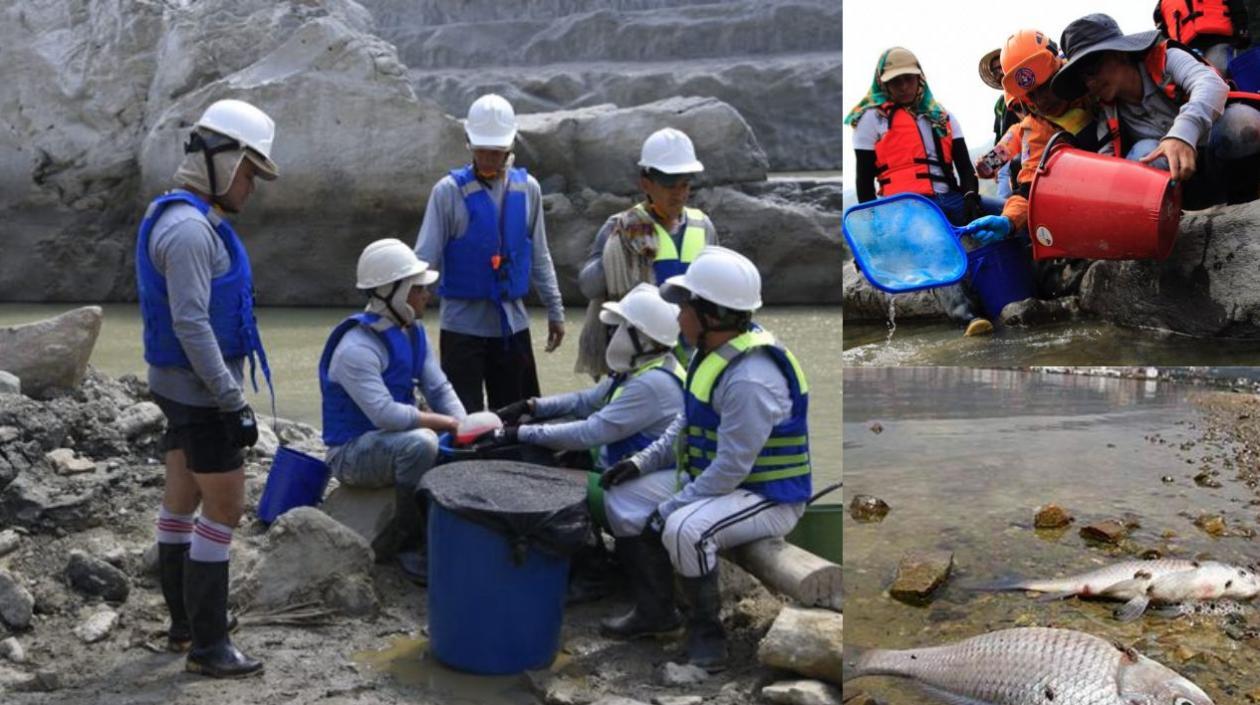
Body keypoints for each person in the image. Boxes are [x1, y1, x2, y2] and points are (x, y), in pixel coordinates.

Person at [595, 246, 811, 672]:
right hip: (722, 483)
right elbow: (685, 424)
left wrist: (671, 506)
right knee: (623, 499)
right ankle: (656, 612)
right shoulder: (711, 354)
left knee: (684, 529)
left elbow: (733, 469)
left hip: (768, 496)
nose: (677, 317)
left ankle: (708, 638)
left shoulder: (750, 378)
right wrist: (640, 464)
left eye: (685, 307)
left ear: (712, 314)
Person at [136, 98, 279, 677]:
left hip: (174, 387)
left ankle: (184, 626)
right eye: (249, 172)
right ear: (221, 160)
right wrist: (233, 399)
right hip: (198, 392)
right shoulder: (192, 231)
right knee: (224, 508)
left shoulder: (173, 215)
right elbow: (192, 325)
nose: (250, 186)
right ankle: (210, 648)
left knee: (180, 498)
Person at [318, 239, 465, 584]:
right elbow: (385, 415)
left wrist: (468, 422)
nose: (426, 295)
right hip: (351, 454)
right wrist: (449, 423)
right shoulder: (356, 347)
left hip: (390, 440)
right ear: (392, 293)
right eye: (418, 289)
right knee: (423, 444)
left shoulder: (413, 333)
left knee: (462, 439)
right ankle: (409, 545)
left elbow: (439, 387)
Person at [415, 93, 566, 412]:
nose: (488, 157)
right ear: (469, 142)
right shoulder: (448, 192)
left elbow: (540, 254)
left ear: (510, 146)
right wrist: (406, 313)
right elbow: (425, 256)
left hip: (513, 325)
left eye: (496, 151)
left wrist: (555, 309)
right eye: (482, 149)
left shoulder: (529, 190)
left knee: (517, 417)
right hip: (461, 327)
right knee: (463, 419)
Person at [845, 46, 1004, 336]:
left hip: (951, 198)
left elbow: (965, 169)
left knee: (1009, 213)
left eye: (909, 79)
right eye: (896, 81)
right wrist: (871, 233)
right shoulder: (870, 120)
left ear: (920, 79)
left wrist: (970, 196)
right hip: (907, 208)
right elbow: (864, 181)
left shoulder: (941, 116)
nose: (904, 86)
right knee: (931, 247)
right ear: (884, 83)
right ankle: (968, 317)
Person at [495, 282, 685, 510]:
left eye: (621, 327)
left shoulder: (652, 384)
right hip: (618, 464)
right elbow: (585, 401)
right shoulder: (645, 368)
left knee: (539, 480)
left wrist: (519, 433)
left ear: (643, 338)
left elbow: (589, 432)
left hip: (634, 479)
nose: (613, 333)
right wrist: (531, 406)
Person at [1051, 13, 1260, 206]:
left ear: (1119, 54)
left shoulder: (1166, 57)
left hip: (1221, 160)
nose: (1090, 83)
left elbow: (1211, 84)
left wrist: (1182, 135)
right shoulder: (1108, 114)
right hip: (1184, 193)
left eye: (1092, 70)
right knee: (1141, 156)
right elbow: (1107, 167)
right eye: (1083, 78)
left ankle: (1247, 205)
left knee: (1242, 124)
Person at [574, 128, 718, 377]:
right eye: (669, 185)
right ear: (646, 184)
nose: (679, 193)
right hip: (640, 354)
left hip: (693, 352)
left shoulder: (702, 225)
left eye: (684, 184)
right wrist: (616, 246)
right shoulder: (620, 227)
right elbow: (588, 287)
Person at [1153, 0, 1251, 74]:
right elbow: (1164, 28)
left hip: (1218, 40)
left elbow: (1237, 7)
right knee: (1193, 81)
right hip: (1187, 49)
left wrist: (1242, 30)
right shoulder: (1161, 6)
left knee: (1219, 74)